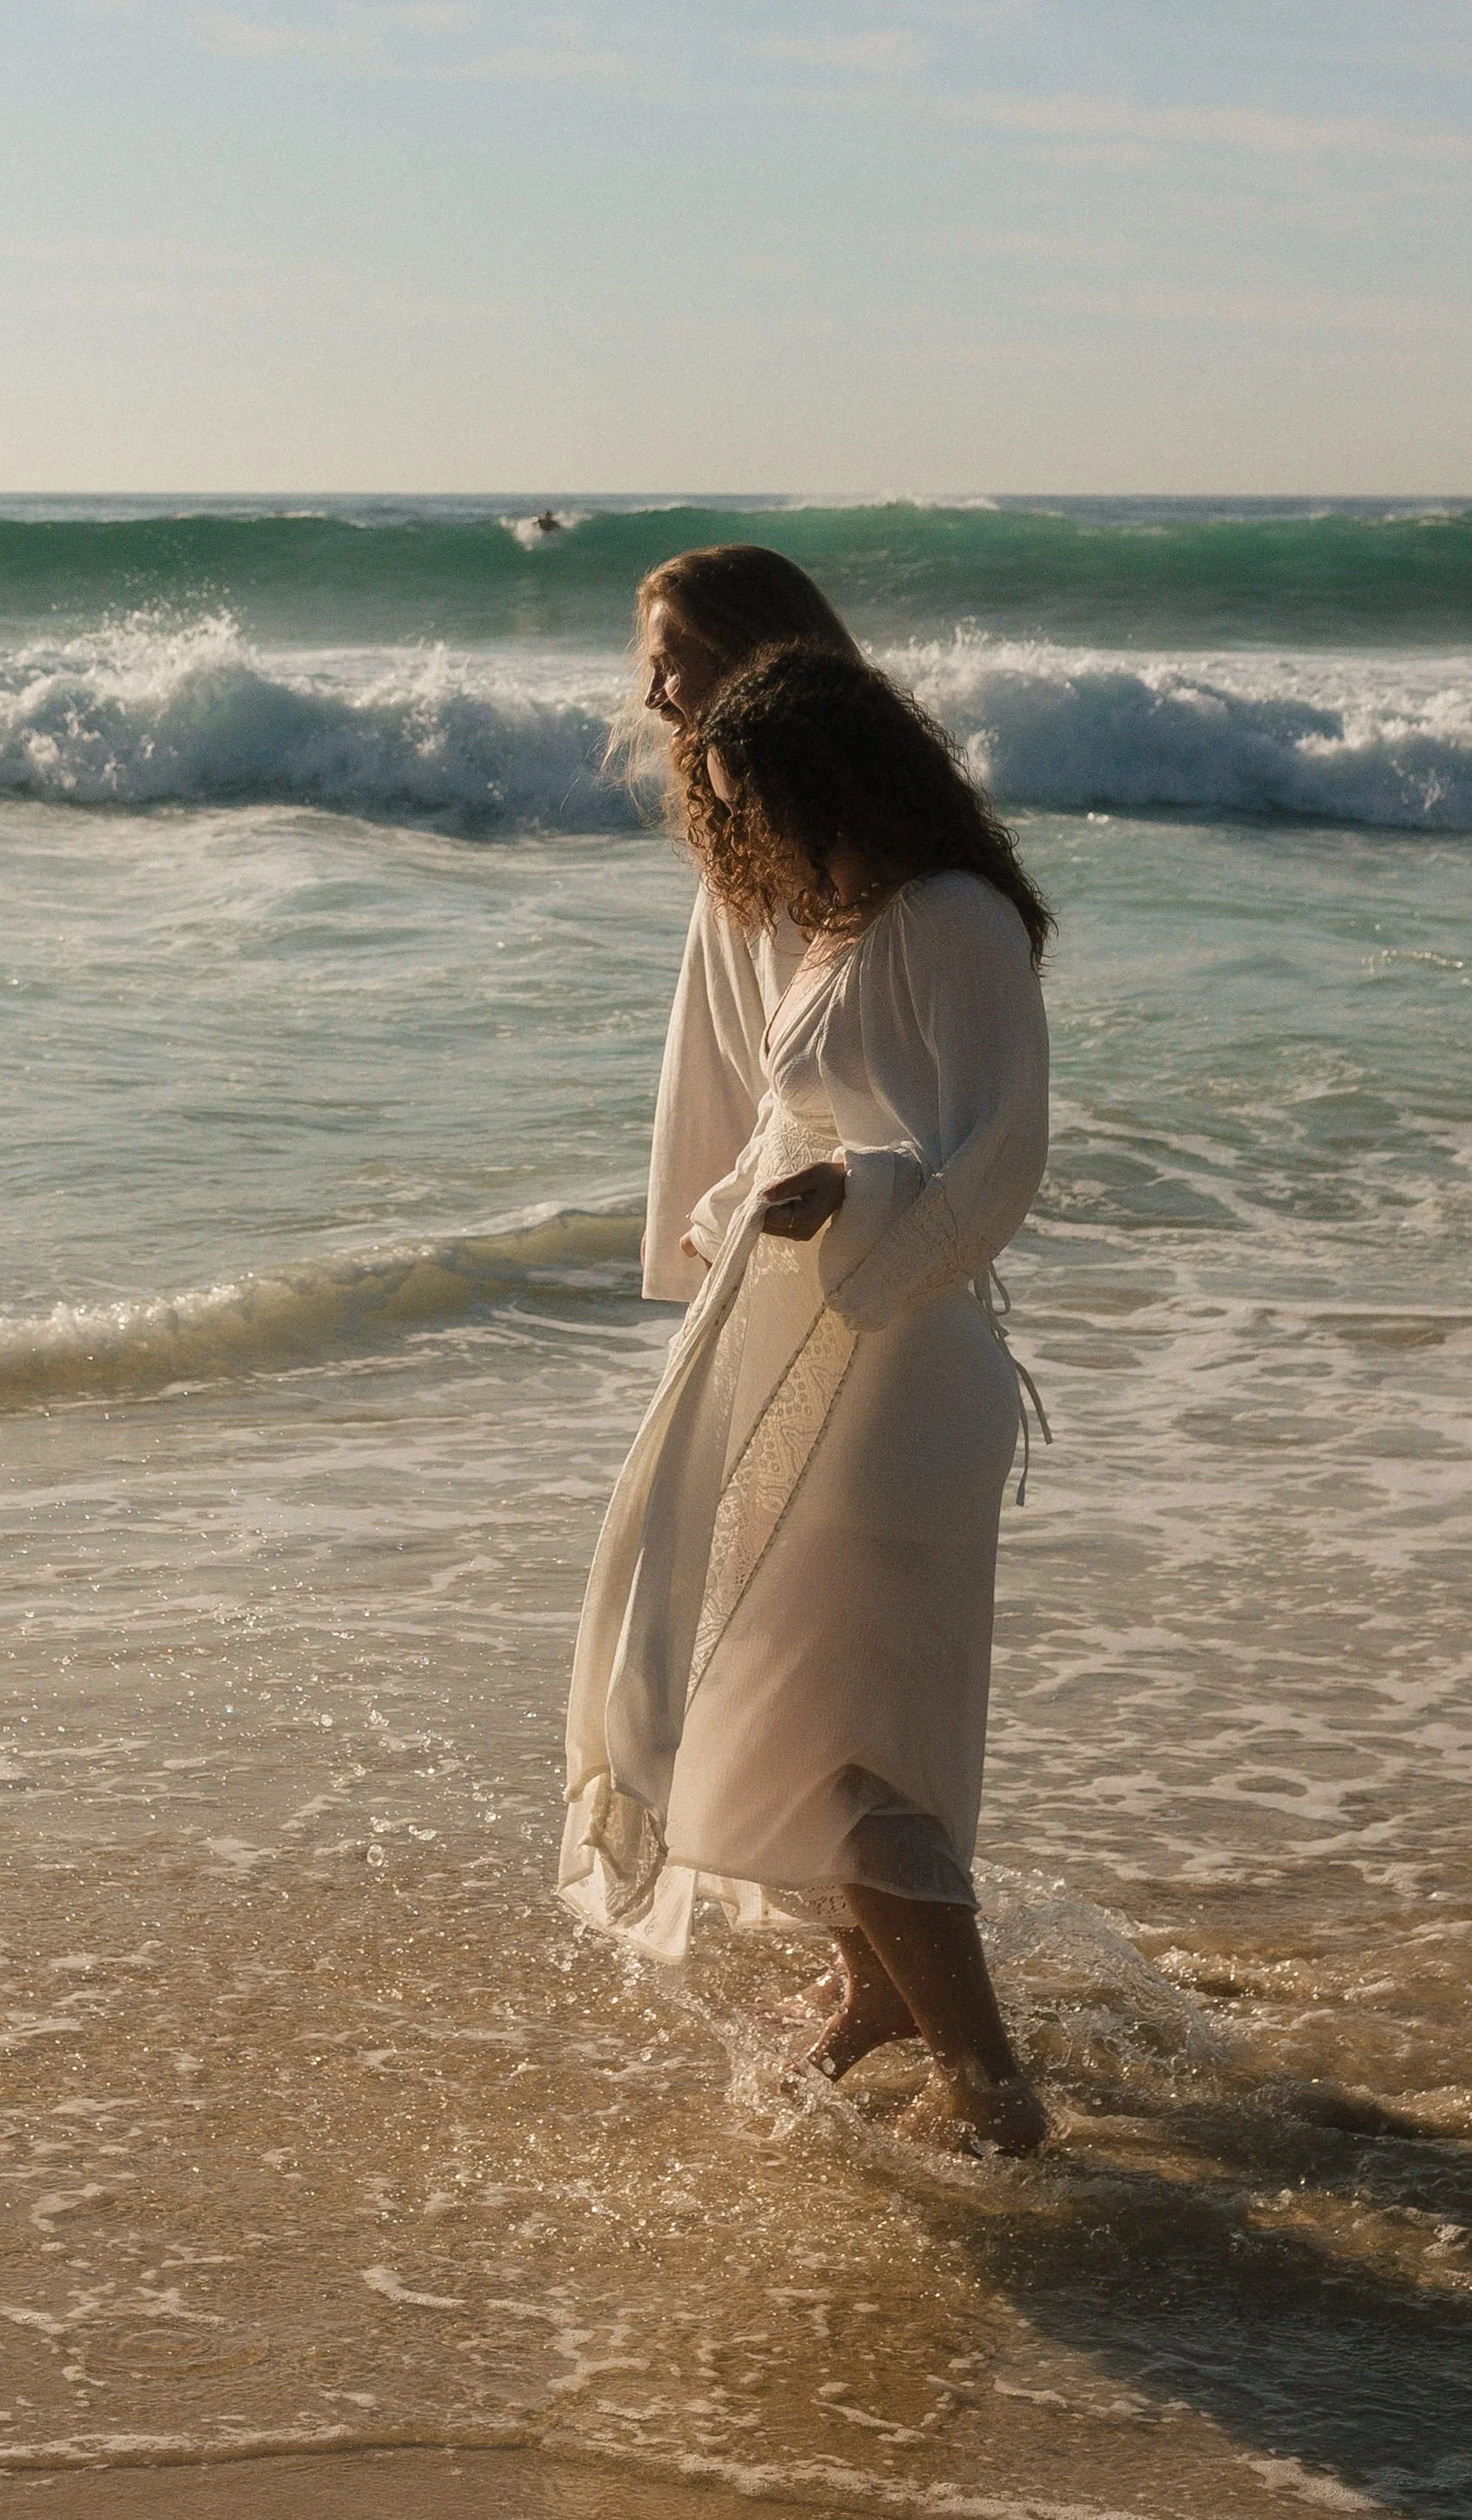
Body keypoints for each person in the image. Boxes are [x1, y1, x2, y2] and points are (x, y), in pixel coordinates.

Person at [563, 643, 1057, 2156]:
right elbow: (795, 1118)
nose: (745, 835)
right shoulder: (832, 930)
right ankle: (889, 1999)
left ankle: (990, 2087)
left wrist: (860, 1189)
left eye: (753, 799)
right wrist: (730, 1206)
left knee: (856, 1739)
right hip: (799, 1366)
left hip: (898, 1382)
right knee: (764, 1715)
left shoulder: (952, 920)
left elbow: (998, 1156)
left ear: (831, 777)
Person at [610, 545, 862, 1305]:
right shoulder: (746, 824)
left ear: (753, 657)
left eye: (672, 664)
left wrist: (723, 1208)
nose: (654, 697)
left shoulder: (824, 837)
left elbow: (819, 1068)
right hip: (756, 1209)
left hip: (795, 1221)